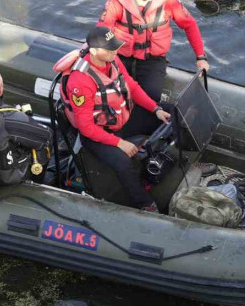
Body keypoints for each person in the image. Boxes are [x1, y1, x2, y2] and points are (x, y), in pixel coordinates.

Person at [59, 26, 171, 211]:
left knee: (170, 112)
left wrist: (155, 108)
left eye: (115, 47)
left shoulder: (113, 60)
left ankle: (163, 163)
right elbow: (85, 127)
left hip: (121, 117)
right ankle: (144, 203)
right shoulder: (80, 81)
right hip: (98, 131)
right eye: (110, 49)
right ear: (94, 51)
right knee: (122, 162)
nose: (116, 51)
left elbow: (132, 86)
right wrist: (119, 143)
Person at [97, 0, 209, 107]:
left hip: (152, 61)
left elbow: (189, 24)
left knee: (151, 98)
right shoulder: (117, 2)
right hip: (121, 59)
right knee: (113, 97)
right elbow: (101, 31)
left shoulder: (168, 0)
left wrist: (200, 57)